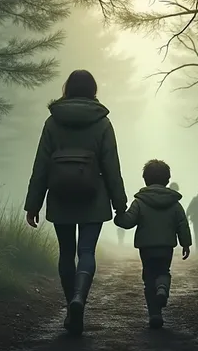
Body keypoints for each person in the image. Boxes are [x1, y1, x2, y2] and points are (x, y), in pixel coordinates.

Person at [24, 69, 128, 336]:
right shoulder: (103, 123)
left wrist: (33, 203)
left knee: (66, 252)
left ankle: (71, 309)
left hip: (60, 196)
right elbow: (111, 166)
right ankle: (79, 298)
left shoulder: (52, 122)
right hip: (94, 197)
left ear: (67, 89)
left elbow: (42, 165)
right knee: (87, 252)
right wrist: (119, 202)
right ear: (93, 90)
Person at [115, 160, 192, 329]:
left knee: (149, 278)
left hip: (146, 247)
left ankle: (155, 314)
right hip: (166, 246)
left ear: (145, 179)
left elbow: (128, 222)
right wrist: (186, 244)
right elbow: (182, 224)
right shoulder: (175, 203)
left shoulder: (140, 202)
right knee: (163, 271)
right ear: (167, 179)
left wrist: (118, 215)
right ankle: (163, 288)